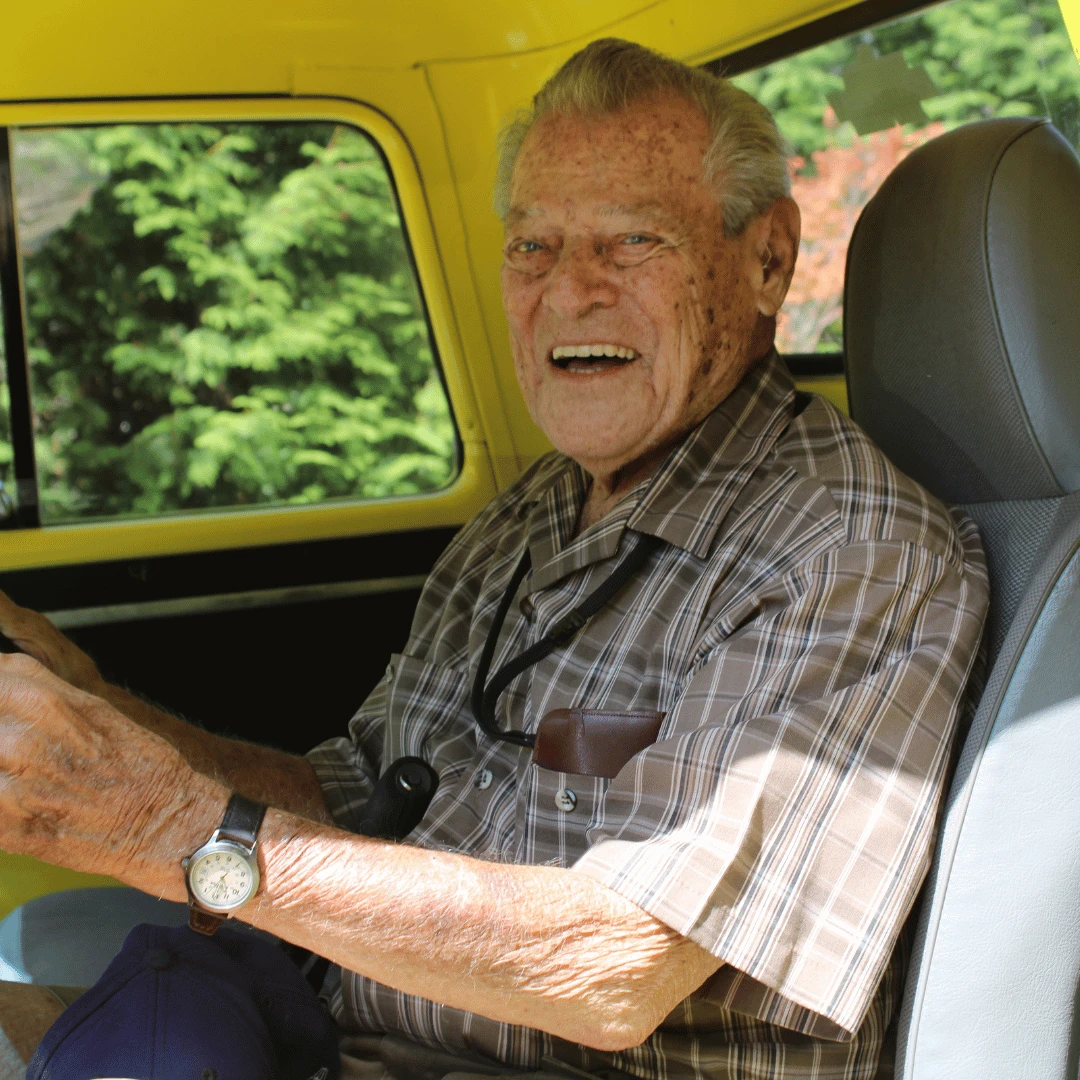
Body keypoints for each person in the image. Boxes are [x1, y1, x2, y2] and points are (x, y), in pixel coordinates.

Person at [0, 38, 987, 1080]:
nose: (569, 293)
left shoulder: (850, 552)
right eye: (533, 247)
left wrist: (168, 826)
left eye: (632, 241)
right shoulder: (524, 523)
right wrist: (101, 719)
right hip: (341, 1036)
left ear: (767, 261)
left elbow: (620, 969)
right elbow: (355, 803)